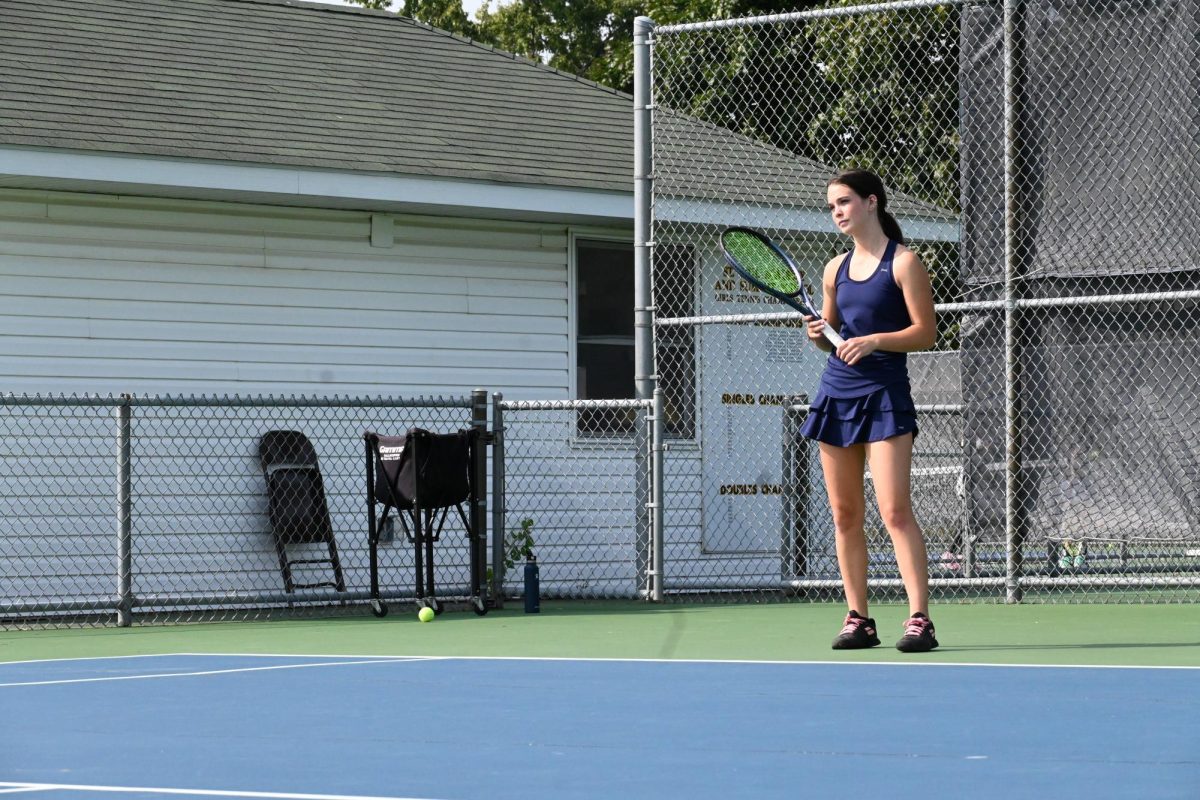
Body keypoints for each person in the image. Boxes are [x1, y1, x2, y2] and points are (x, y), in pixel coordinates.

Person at [800, 169, 939, 653]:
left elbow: (926, 333)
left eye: (844, 202)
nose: (837, 211)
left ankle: (919, 618)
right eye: (831, 205)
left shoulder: (904, 263)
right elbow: (836, 340)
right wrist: (820, 337)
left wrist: (877, 339)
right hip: (836, 396)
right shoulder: (833, 269)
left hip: (885, 395)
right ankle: (859, 618)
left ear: (871, 202)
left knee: (895, 511)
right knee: (844, 515)